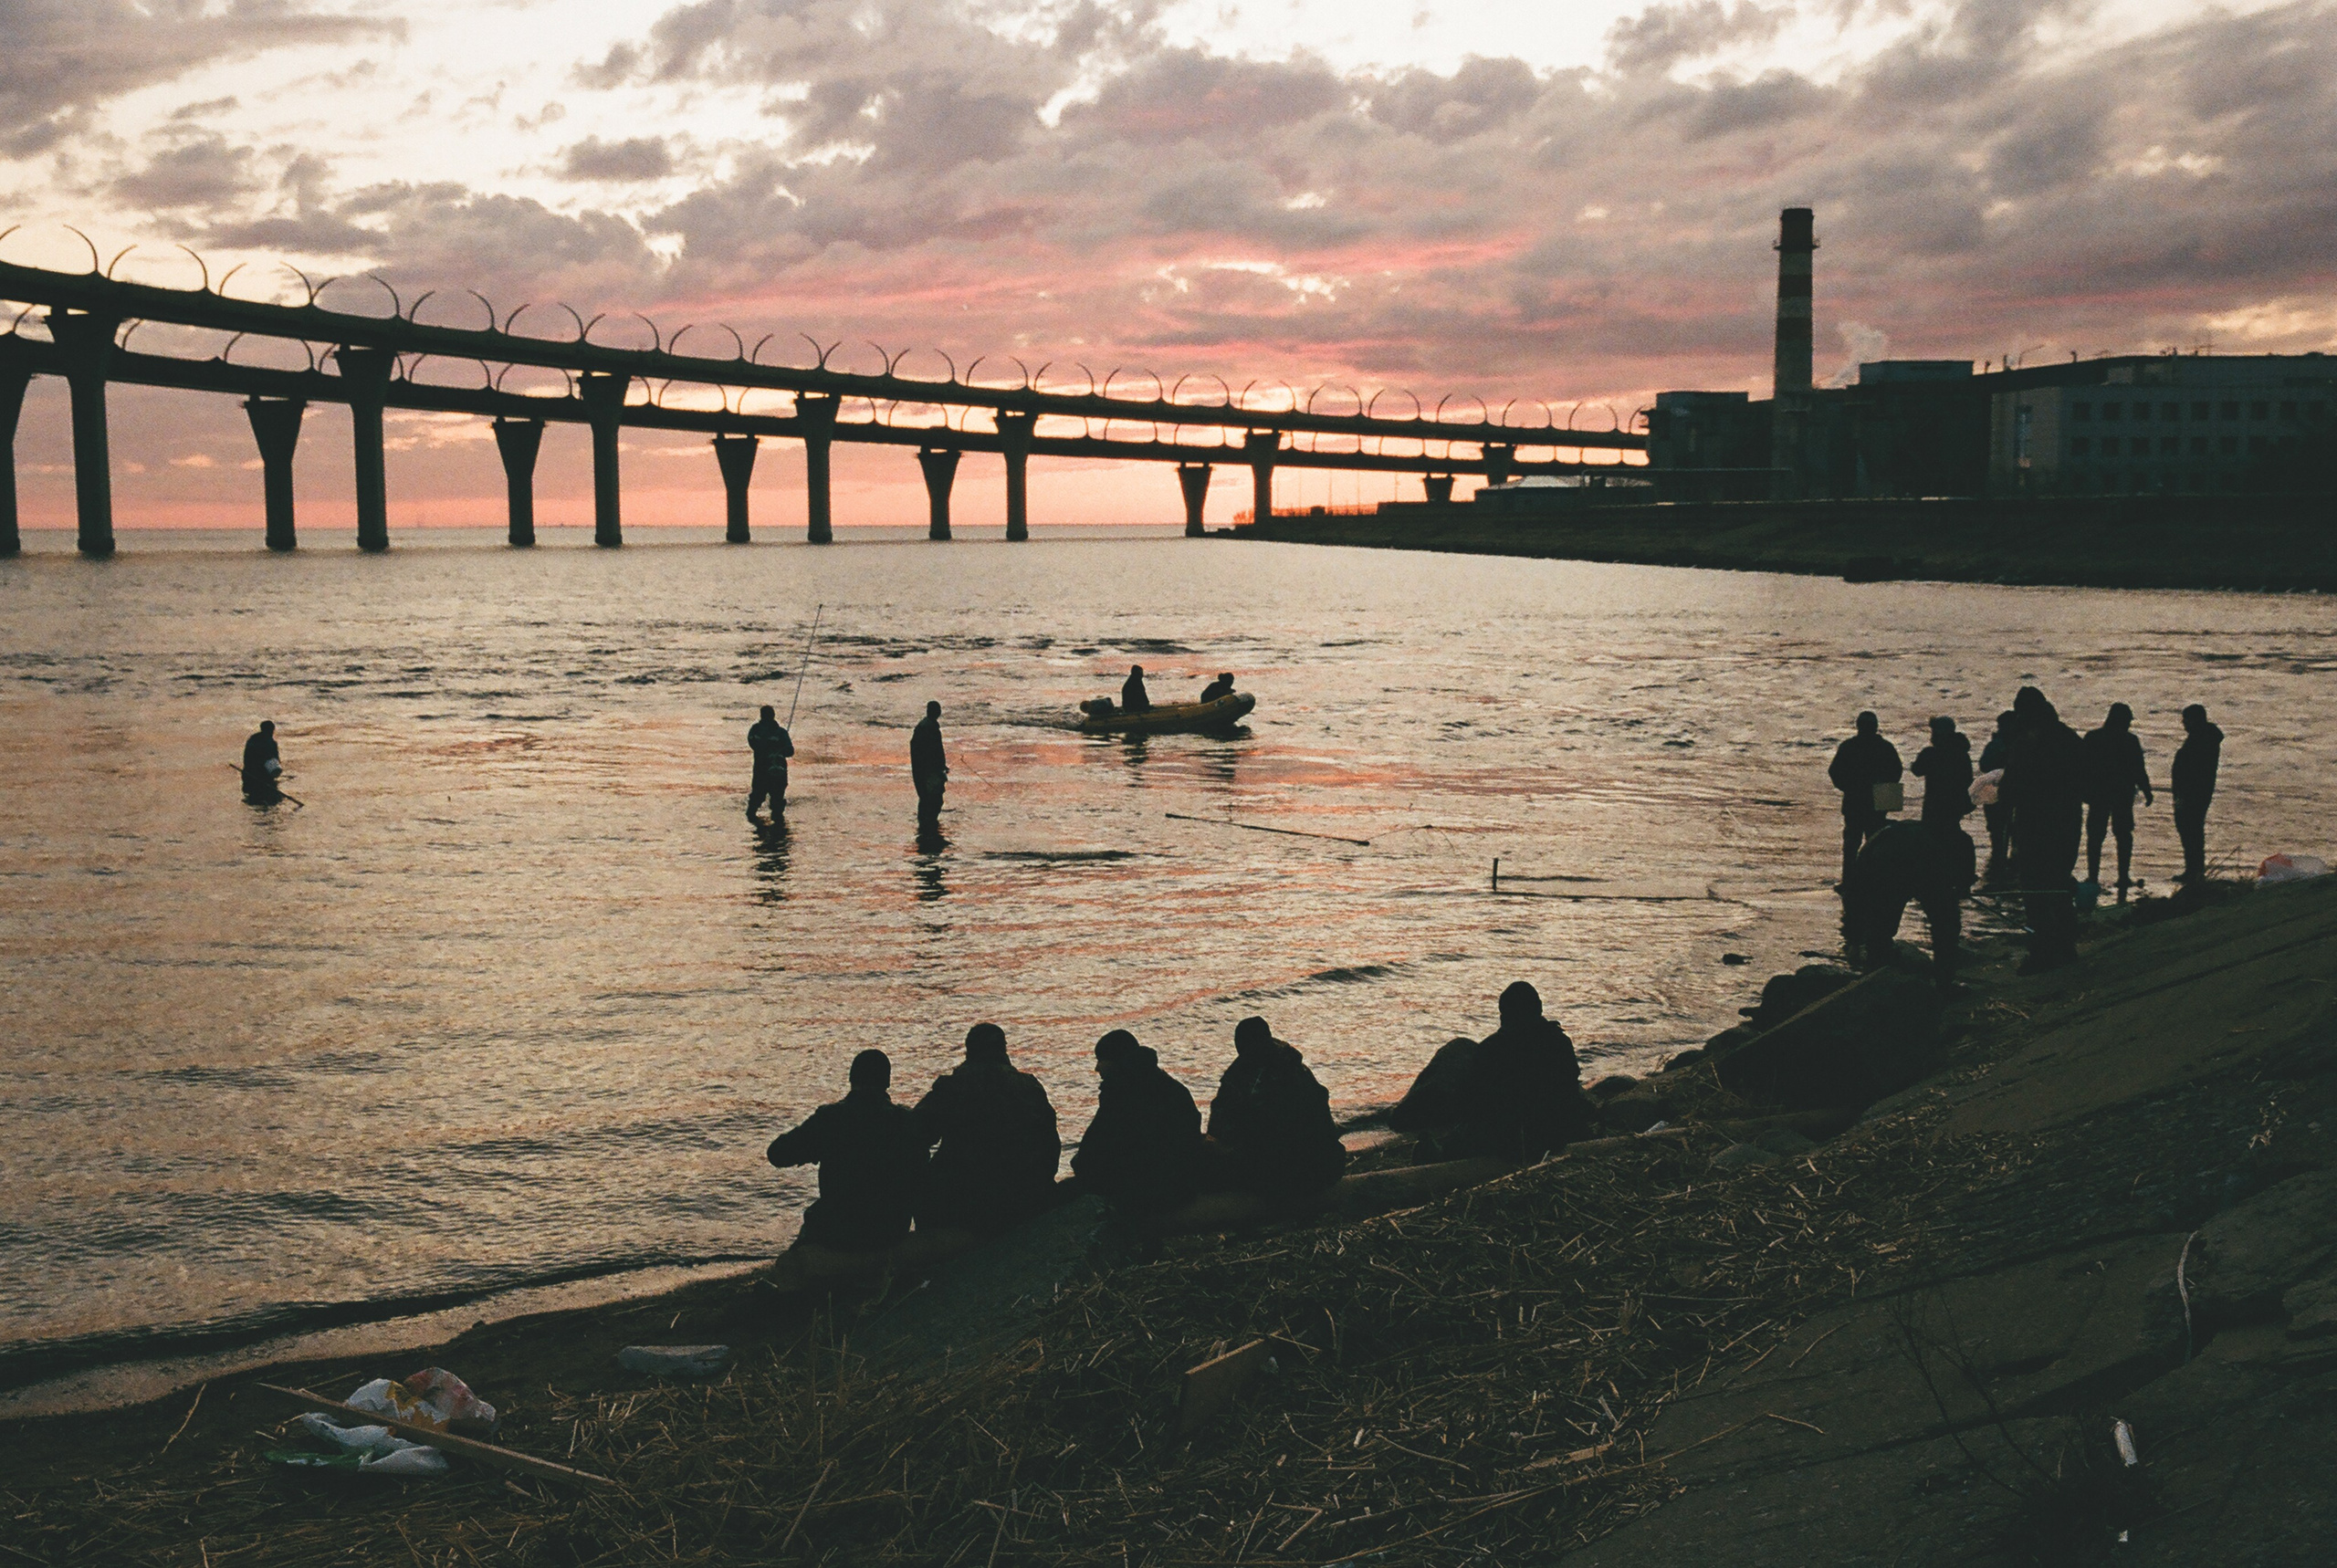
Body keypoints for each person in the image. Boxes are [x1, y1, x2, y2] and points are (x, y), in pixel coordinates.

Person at [765, 1049, 927, 1253]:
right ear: (887, 1082)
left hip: (839, 1228)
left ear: (851, 1079)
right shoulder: (906, 1121)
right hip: (892, 1230)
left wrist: (813, 1148)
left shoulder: (831, 1118)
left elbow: (777, 1154)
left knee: (795, 1263)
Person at [910, 1023, 1061, 1233]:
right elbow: (1051, 1144)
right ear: (1004, 1050)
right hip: (1027, 1196)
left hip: (966, 1201)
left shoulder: (954, 1087)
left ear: (969, 1051)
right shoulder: (1030, 1087)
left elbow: (915, 1133)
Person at [1442, 982, 1596, 1161]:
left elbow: (1474, 1102)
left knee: (1457, 1139)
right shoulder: (1560, 1042)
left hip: (1508, 1142)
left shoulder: (1491, 1049)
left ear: (1504, 1014)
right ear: (1539, 1007)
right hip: (1557, 1134)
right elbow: (1569, 1086)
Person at [1204, 1017, 1346, 1199]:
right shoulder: (1298, 1069)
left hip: (1284, 1177)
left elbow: (1219, 1127)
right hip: (1328, 1166)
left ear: (1241, 1046)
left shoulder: (1244, 1079)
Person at [1999, 685, 2088, 973]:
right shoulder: (2067, 737)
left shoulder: (2026, 743)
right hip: (2068, 820)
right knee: (2059, 882)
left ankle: (2041, 951)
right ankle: (2065, 945)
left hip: (2036, 823)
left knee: (2035, 888)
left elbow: (2011, 786)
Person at [1068, 1030, 1203, 1218]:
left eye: (1101, 1060)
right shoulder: (1168, 1087)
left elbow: (1097, 1147)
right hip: (1180, 1183)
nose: (1097, 1068)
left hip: (1147, 1188)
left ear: (1116, 1061)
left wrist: (1082, 1166)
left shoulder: (1122, 1094)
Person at [1841, 819, 1976, 989]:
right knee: (1945, 925)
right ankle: (1944, 983)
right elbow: (1962, 885)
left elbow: (1855, 893)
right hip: (1920, 863)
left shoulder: (1877, 843)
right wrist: (1961, 887)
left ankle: (1876, 974)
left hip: (1892, 860)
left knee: (1880, 925)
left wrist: (1853, 938)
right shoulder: (1959, 841)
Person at [2080, 704, 2154, 894]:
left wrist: (2081, 791)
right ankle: (2121, 876)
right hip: (2120, 794)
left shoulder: (2093, 738)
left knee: (2097, 836)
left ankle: (2094, 877)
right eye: (2128, 721)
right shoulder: (2130, 741)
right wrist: (2147, 790)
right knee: (2121, 835)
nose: (2129, 724)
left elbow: (2081, 766)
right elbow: (2139, 769)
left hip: (2100, 794)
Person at [1827, 712, 1903, 885]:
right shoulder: (1885, 747)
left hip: (1855, 802)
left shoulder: (1849, 746)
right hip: (1876, 803)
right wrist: (1883, 788)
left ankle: (1849, 881)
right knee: (1875, 844)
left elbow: (1835, 772)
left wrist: (1848, 787)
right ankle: (1873, 881)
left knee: (1852, 845)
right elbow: (1896, 771)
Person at [2171, 704, 2223, 883]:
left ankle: (2195, 871)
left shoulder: (2201, 740)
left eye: (2186, 719)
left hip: (2193, 793)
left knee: (2191, 830)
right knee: (2192, 830)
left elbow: (2192, 770)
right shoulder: (2202, 738)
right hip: (2195, 792)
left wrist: (2182, 795)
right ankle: (2193, 870)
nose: (2183, 723)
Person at [1976, 709, 2018, 883]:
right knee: (1997, 832)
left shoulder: (2018, 744)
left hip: (2012, 796)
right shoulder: (1997, 746)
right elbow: (1984, 765)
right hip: (1996, 795)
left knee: (2012, 833)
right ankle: (2000, 865)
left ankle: (2005, 866)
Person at [1911, 716, 1973, 827]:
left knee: (1932, 834)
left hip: (1934, 803)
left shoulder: (1931, 754)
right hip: (1956, 803)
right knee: (1951, 830)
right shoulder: (1962, 754)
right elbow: (1968, 779)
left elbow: (1917, 770)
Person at [747, 705, 794, 821]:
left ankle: (756, 823)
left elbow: (753, 743)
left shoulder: (755, 730)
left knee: (757, 799)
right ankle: (778, 831)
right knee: (775, 802)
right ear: (773, 716)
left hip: (765, 770)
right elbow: (790, 751)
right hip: (772, 771)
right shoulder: (780, 732)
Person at [910, 701, 948, 824]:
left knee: (929, 798)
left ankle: (926, 823)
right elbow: (930, 751)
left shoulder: (927, 726)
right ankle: (927, 823)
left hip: (927, 770)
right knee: (932, 798)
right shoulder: (928, 727)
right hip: (928, 771)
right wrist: (938, 767)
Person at [241, 720, 283, 803]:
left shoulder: (253, 740)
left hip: (255, 774)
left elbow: (276, 761)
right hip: (255, 775)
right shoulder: (265, 743)